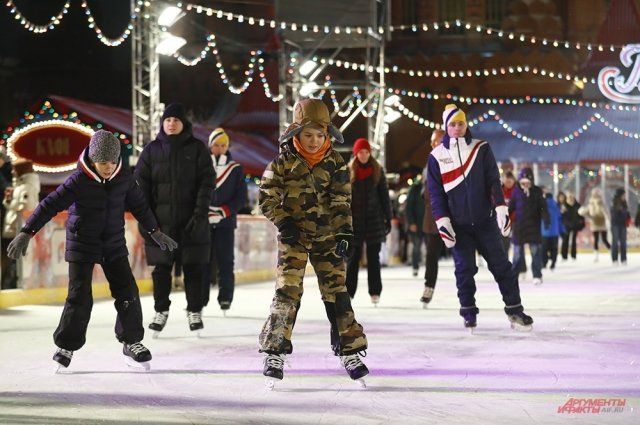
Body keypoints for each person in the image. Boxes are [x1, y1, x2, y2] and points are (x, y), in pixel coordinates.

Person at [6, 130, 177, 371]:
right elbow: (50, 205)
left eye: (112, 162)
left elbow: (139, 205)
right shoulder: (78, 180)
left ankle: (132, 342)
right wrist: (27, 232)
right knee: (79, 296)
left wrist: (154, 231)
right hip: (82, 243)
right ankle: (66, 345)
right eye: (103, 162)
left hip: (113, 243)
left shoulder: (124, 179)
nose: (108, 167)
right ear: (93, 160)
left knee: (128, 291)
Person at [258, 98, 368, 387]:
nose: (314, 140)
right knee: (287, 292)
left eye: (320, 135)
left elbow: (342, 201)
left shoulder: (335, 163)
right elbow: (266, 196)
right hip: (293, 237)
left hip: (327, 237)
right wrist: (283, 221)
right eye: (308, 135)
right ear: (296, 132)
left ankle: (350, 350)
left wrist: (344, 233)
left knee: (337, 292)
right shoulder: (282, 162)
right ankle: (274, 351)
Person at [426, 104, 533, 331]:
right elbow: (435, 195)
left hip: (485, 222)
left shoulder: (481, 148)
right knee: (464, 271)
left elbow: (494, 182)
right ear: (446, 126)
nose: (457, 128)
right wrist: (443, 221)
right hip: (459, 226)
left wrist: (501, 209)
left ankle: (515, 309)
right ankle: (469, 313)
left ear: (466, 124)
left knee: (502, 266)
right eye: (453, 124)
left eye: (461, 123)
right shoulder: (436, 157)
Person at [135, 103, 215, 335]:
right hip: (161, 225)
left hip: (192, 223)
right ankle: (161, 310)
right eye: (168, 120)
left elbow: (207, 183)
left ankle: (194, 310)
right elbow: (140, 187)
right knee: (161, 269)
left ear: (184, 124)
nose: (171, 123)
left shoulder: (197, 149)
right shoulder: (151, 151)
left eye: (176, 120)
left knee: (193, 268)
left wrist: (200, 215)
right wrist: (147, 221)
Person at [203, 127, 247, 313]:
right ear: (210, 146)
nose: (220, 148)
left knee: (225, 261)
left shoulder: (236, 169)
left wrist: (223, 211)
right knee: (202, 261)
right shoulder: (202, 166)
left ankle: (225, 298)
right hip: (203, 222)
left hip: (226, 222)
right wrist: (204, 210)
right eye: (216, 145)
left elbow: (241, 197)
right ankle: (200, 299)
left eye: (223, 145)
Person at [345, 138, 392, 305]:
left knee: (373, 259)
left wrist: (388, 217)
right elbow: (344, 199)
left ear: (369, 153)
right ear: (356, 154)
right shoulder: (349, 171)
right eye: (360, 152)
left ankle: (375, 292)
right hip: (355, 223)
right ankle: (349, 292)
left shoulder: (378, 170)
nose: (363, 155)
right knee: (353, 258)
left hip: (374, 221)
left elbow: (384, 197)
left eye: (366, 152)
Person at [2, 158, 40, 289]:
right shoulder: (19, 186)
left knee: (14, 262)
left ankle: (12, 286)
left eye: (15, 169)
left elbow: (26, 207)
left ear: (21, 171)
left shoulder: (27, 188)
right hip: (12, 229)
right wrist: (8, 200)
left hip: (17, 231)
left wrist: (12, 204)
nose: (12, 172)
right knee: (8, 261)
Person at [509, 168, 549, 285]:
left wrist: (546, 219)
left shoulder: (537, 191)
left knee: (535, 253)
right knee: (517, 254)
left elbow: (543, 208)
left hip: (533, 227)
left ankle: (537, 275)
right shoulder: (516, 192)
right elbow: (511, 207)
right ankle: (516, 274)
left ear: (532, 181)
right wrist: (505, 218)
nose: (525, 184)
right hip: (519, 227)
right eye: (523, 182)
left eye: (527, 182)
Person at [420, 129, 446, 307]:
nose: (432, 144)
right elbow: (424, 190)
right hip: (433, 217)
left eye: (435, 140)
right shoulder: (429, 163)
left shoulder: (453, 160)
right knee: (431, 255)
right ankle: (429, 286)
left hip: (453, 215)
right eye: (432, 141)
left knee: (462, 255)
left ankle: (466, 293)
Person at [581, 188, 610, 261]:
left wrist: (607, 219)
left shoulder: (601, 202)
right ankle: (596, 255)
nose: (595, 195)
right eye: (594, 194)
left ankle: (611, 251)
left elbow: (605, 212)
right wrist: (582, 211)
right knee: (596, 240)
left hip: (601, 222)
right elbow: (587, 211)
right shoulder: (591, 203)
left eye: (597, 194)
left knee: (604, 239)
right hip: (594, 223)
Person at [406, 175, 425, 277]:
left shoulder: (432, 185)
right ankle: (415, 266)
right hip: (417, 223)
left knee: (430, 247)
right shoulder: (415, 188)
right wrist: (411, 222)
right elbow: (409, 207)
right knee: (416, 246)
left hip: (428, 222)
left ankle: (429, 268)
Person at [541, 192, 563, 270]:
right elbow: (560, 219)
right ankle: (553, 263)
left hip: (544, 232)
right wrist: (561, 230)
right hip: (555, 232)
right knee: (554, 249)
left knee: (544, 249)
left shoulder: (542, 206)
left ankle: (544, 263)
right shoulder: (556, 206)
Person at [610, 188, 630, 265]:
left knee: (623, 243)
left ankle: (623, 259)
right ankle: (615, 259)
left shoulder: (624, 203)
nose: (624, 196)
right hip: (615, 225)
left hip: (623, 225)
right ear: (620, 195)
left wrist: (628, 218)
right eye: (623, 195)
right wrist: (622, 215)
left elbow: (627, 213)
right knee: (615, 242)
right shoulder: (614, 203)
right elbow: (614, 216)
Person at [560, 191, 582, 261]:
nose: (570, 198)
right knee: (565, 240)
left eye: (572, 196)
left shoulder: (577, 205)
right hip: (567, 225)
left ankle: (573, 255)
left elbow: (581, 215)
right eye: (569, 197)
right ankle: (564, 256)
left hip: (575, 225)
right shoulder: (564, 205)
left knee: (573, 240)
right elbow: (562, 216)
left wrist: (580, 221)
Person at [500, 171, 517, 256]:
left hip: (516, 220)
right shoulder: (499, 191)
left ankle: (519, 265)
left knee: (517, 244)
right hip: (503, 221)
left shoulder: (517, 191)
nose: (508, 184)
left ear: (513, 180)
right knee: (504, 244)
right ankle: (505, 262)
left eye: (510, 182)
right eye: (506, 182)